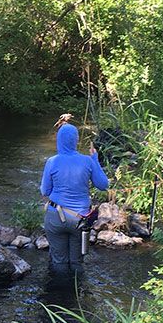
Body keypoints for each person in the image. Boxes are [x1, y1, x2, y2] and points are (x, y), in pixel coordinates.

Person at [40, 116, 109, 272]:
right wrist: (95, 160)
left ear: (59, 140)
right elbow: (103, 185)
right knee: (77, 261)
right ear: (76, 140)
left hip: (56, 216)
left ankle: (59, 293)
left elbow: (45, 191)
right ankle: (78, 292)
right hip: (80, 219)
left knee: (58, 261)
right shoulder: (87, 161)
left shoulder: (52, 161)